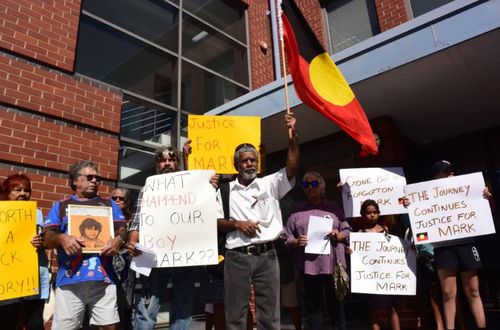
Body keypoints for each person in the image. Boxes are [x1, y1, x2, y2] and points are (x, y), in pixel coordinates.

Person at [217, 112, 299, 329]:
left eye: (253, 160)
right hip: (236, 258)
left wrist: (293, 137)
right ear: (237, 165)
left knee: (270, 317)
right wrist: (237, 224)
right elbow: (215, 221)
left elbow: (292, 168)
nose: (250, 164)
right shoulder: (224, 190)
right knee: (235, 316)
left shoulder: (270, 184)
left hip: (268, 256)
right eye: (244, 161)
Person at [127, 144, 218, 330]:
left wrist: (209, 186)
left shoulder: (193, 188)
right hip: (154, 259)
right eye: (162, 160)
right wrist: (132, 242)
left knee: (183, 312)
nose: (167, 163)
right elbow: (137, 220)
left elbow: (203, 210)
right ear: (157, 165)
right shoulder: (148, 189)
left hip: (185, 260)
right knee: (147, 311)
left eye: (171, 160)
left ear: (177, 163)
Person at [43, 160, 127, 330]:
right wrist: (61, 238)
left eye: (97, 178)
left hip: (104, 278)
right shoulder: (61, 206)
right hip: (70, 279)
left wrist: (118, 239)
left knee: (108, 327)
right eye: (89, 177)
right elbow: (47, 238)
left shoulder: (110, 205)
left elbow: (122, 229)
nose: (95, 181)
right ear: (75, 180)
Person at [285, 171, 349, 330]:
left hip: (333, 264)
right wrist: (295, 241)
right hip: (309, 267)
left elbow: (347, 230)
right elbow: (286, 236)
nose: (310, 188)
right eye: (306, 185)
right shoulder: (296, 211)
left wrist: (339, 234)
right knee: (314, 308)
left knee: (336, 305)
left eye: (314, 184)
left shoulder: (333, 208)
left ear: (321, 186)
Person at [430, 160, 490, 330]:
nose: (451, 173)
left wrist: (483, 196)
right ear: (436, 175)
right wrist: (409, 204)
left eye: (452, 170)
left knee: (473, 290)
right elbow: (417, 217)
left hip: (466, 244)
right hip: (443, 247)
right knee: (448, 293)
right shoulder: (427, 195)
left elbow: (483, 214)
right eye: (446, 171)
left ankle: (482, 326)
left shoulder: (468, 190)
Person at [0, 174, 50, 330]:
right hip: (7, 279)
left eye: (26, 190)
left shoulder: (37, 214)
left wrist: (42, 242)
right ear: (7, 192)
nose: (23, 193)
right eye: (17, 189)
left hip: (31, 277)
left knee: (34, 323)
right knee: (6, 321)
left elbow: (47, 241)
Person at [359, 199, 401, 330]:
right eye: (368, 212)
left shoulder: (386, 230)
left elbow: (394, 248)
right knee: (374, 310)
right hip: (372, 278)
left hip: (387, 276)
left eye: (375, 212)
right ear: (362, 214)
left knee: (392, 308)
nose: (372, 215)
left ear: (379, 213)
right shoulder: (360, 234)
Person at [111, 188, 135, 330]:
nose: (117, 201)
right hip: (109, 265)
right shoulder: (105, 217)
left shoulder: (132, 220)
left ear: (127, 202)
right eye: (114, 198)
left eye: (121, 198)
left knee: (125, 303)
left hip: (127, 267)